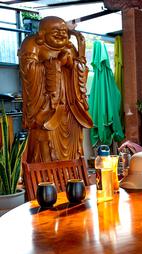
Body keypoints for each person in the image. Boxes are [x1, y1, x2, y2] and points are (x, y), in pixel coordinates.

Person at [19, 16, 93, 163]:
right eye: (55, 31)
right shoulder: (32, 44)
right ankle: (47, 179)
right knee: (47, 144)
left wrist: (73, 65)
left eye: (64, 31)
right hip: (47, 109)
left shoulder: (70, 47)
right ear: (42, 34)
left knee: (74, 144)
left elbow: (83, 70)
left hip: (71, 107)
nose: (61, 34)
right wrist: (57, 63)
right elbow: (28, 71)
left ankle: (73, 176)